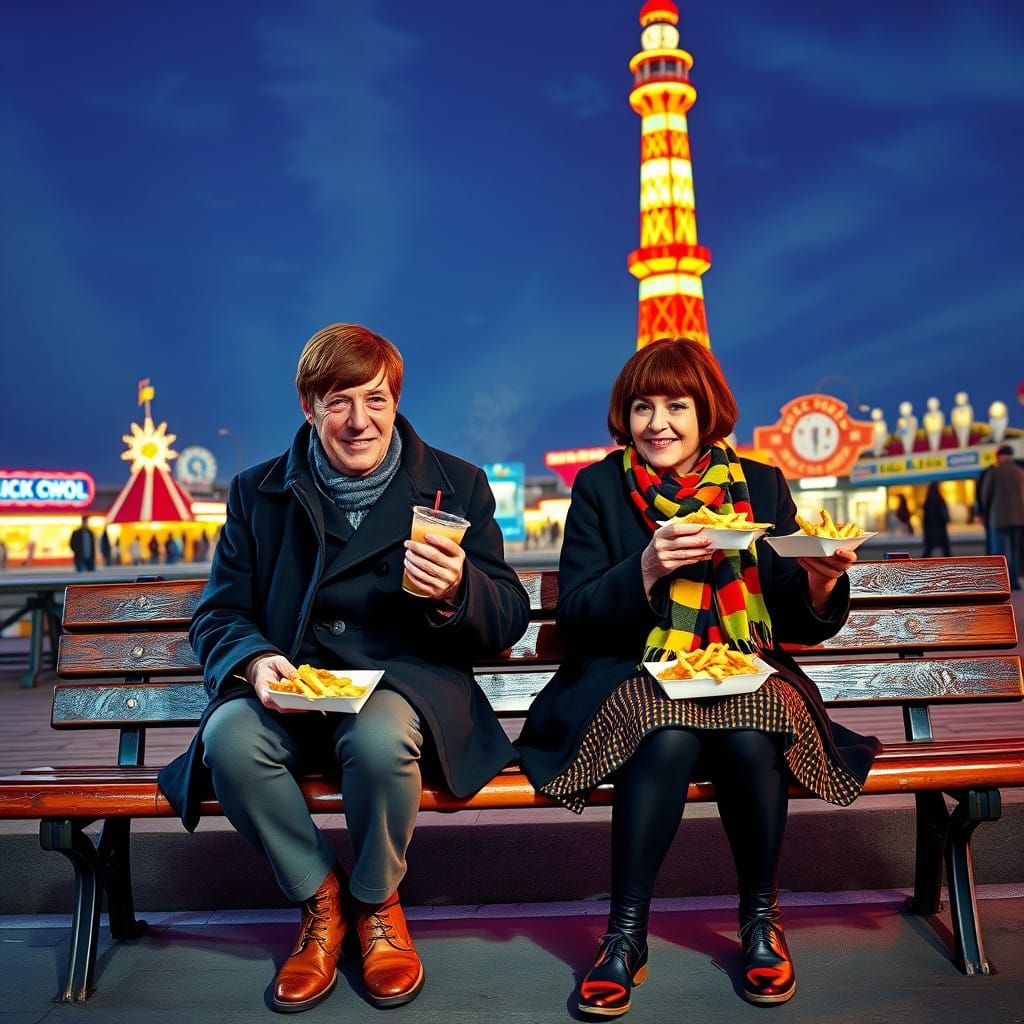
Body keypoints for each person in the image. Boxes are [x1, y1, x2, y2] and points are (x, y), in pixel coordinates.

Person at [158, 323, 529, 1013]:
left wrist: (457, 591)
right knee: (229, 740)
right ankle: (319, 899)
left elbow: (506, 618)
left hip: (406, 686)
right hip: (297, 688)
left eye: (376, 399)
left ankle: (375, 901)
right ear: (308, 407)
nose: (359, 421)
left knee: (382, 739)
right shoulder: (256, 493)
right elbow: (217, 615)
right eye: (338, 401)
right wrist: (257, 660)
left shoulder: (457, 486)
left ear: (395, 403)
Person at [516, 339, 881, 1014]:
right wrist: (649, 567)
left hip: (743, 669)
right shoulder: (599, 487)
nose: (658, 422)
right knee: (667, 739)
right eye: (641, 407)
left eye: (676, 405)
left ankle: (760, 922)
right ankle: (625, 935)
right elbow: (582, 615)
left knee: (752, 736)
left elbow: (795, 610)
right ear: (623, 417)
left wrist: (821, 581)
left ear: (706, 409)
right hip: (634, 672)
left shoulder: (761, 482)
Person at [980, 444, 1024, 590]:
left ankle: (1003, 583)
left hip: (999, 519)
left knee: (1001, 552)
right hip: (1019, 518)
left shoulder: (994, 472)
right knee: (1015, 550)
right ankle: (1015, 581)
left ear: (1000, 456)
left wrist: (984, 512)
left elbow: (985, 495)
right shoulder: (1020, 472)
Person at [921, 482, 951, 558]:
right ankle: (950, 562)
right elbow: (944, 514)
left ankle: (923, 564)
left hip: (930, 529)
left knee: (929, 549)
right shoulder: (940, 500)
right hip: (940, 528)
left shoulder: (928, 501)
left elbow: (925, 518)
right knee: (945, 549)